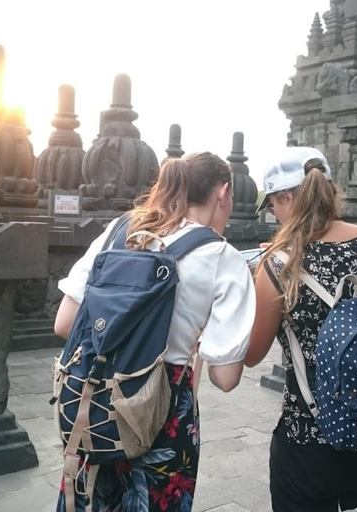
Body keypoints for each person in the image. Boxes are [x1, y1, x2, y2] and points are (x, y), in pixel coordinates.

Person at [53, 152, 255, 511]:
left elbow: (64, 323)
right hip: (164, 413)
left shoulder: (120, 229)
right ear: (223, 193)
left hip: (94, 400)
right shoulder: (224, 258)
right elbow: (226, 378)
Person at [243, 147, 357, 512]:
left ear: (287, 197)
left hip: (310, 436)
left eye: (272, 205)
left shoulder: (279, 266)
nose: (273, 214)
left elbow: (252, 355)